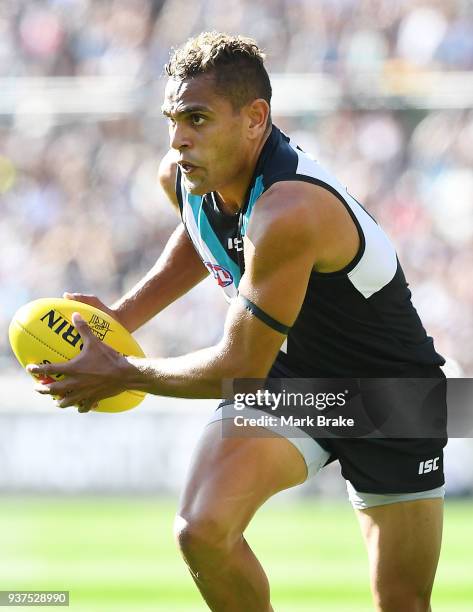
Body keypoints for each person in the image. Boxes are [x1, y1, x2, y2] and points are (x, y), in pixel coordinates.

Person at [29, 32, 447, 612]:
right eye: (172, 119)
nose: (178, 139)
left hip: (391, 395)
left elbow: (240, 366)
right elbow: (199, 233)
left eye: (197, 119)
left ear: (256, 119)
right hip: (295, 381)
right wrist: (125, 315)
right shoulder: (183, 175)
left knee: (402, 602)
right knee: (201, 530)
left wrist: (125, 371)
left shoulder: (291, 210)